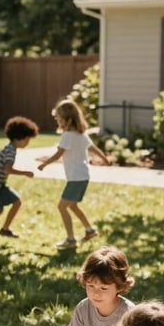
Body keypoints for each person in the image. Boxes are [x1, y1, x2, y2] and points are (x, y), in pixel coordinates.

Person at [37, 98, 110, 248]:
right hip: (83, 177)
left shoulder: (68, 136)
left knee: (62, 207)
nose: (57, 119)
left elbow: (58, 154)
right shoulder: (81, 135)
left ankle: (70, 239)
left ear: (66, 119)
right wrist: (104, 158)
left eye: (58, 117)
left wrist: (45, 163)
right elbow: (93, 148)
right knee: (73, 206)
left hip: (76, 178)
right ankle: (90, 230)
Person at [0, 116, 39, 241]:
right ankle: (5, 229)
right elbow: (7, 169)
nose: (28, 143)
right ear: (19, 137)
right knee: (16, 202)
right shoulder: (10, 151)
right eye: (27, 140)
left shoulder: (9, 147)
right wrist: (25, 173)